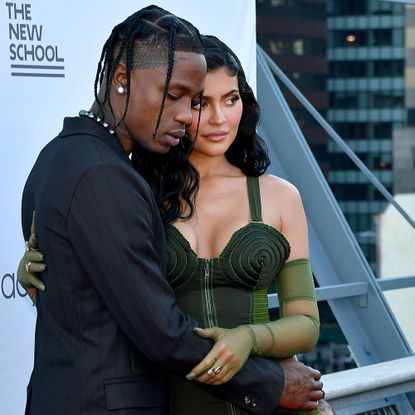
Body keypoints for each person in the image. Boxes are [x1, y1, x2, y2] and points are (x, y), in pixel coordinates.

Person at [17, 5, 323, 415]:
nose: (190, 114)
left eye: (227, 99)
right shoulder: (113, 179)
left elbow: (305, 319)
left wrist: (251, 339)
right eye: (181, 97)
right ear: (123, 80)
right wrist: (271, 385)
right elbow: (159, 330)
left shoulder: (60, 157)